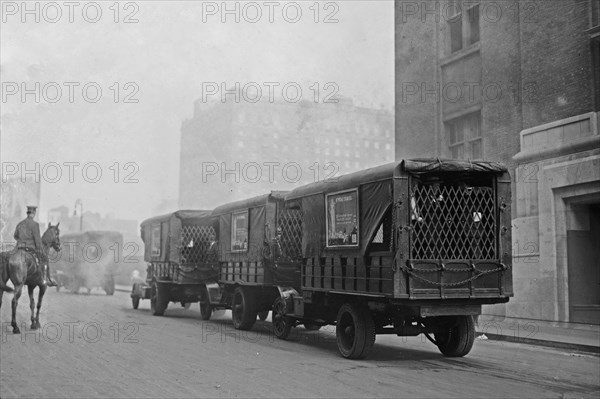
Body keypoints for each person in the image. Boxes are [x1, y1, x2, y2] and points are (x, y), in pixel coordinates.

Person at [14, 206, 57, 287]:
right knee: (45, 260)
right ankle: (46, 280)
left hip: (19, 248)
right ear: (33, 214)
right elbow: (37, 240)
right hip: (30, 249)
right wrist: (41, 250)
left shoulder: (20, 224)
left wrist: (21, 241)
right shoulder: (35, 224)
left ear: (27, 213)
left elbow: (15, 236)